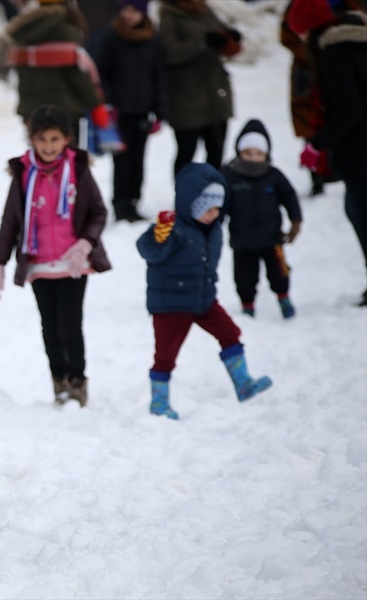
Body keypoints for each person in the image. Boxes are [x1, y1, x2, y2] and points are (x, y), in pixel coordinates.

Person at [0, 106, 111, 407]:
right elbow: (10, 220)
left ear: (67, 139)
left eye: (54, 139)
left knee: (70, 324)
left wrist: (85, 243)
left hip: (74, 262)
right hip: (39, 263)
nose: (48, 146)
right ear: (32, 139)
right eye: (42, 139)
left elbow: (98, 211)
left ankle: (77, 381)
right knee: (50, 327)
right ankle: (59, 381)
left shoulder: (78, 170)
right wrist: (0, 263)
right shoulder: (22, 174)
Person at [136, 163, 272, 420]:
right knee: (165, 355)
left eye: (218, 207)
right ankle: (159, 403)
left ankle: (243, 383)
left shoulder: (213, 230)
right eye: (207, 208)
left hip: (203, 299)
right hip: (172, 303)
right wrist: (157, 235)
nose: (214, 213)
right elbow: (148, 251)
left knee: (231, 333)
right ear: (191, 204)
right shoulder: (173, 229)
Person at [287, 0, 367, 307]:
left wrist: (317, 143)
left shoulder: (334, 54)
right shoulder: (356, 40)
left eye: (300, 33)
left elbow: (349, 109)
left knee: (360, 212)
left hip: (360, 151)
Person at [221, 119, 303, 319]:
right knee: (244, 277)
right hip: (242, 240)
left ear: (266, 154)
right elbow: (221, 203)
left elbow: (289, 196)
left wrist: (295, 221)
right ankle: (247, 304)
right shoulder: (230, 176)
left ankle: (283, 297)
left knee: (279, 272)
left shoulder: (273, 175)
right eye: (248, 153)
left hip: (272, 238)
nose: (253, 158)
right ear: (239, 152)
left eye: (258, 154)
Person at [97, 0, 168, 222]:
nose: (128, 15)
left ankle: (134, 202)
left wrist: (160, 111)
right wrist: (108, 103)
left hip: (143, 112)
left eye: (133, 10)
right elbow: (101, 74)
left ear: (143, 13)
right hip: (119, 113)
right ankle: (120, 205)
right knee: (122, 162)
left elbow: (160, 77)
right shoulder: (111, 38)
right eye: (125, 9)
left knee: (138, 160)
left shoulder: (153, 39)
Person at [159, 0, 240, 176]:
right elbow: (169, 53)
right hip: (186, 98)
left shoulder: (205, 10)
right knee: (186, 152)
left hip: (215, 95)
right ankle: (184, 195)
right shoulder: (170, 17)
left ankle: (214, 197)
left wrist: (229, 38)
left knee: (216, 151)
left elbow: (219, 33)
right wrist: (201, 42)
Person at [5, 0, 104, 135]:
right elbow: (77, 74)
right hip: (65, 111)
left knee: (40, 154)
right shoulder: (65, 29)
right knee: (68, 155)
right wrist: (95, 104)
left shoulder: (23, 30)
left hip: (32, 111)